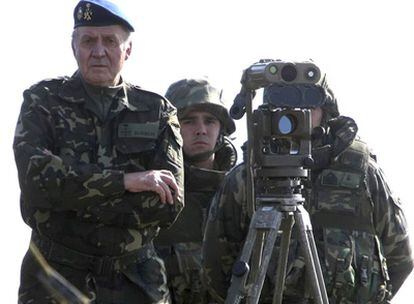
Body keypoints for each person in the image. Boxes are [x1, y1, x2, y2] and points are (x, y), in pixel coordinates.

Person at [13, 1, 184, 303]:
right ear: (74, 46)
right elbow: (37, 182)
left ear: (127, 50)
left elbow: (167, 203)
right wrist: (126, 182)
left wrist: (69, 200)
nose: (99, 51)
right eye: (88, 40)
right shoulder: (43, 101)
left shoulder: (156, 111)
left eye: (109, 41)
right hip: (55, 276)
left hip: (136, 279)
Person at [202, 73, 413, 303]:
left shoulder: (363, 173)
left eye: (308, 105)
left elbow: (399, 257)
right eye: (285, 105)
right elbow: (216, 264)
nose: (296, 114)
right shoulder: (247, 176)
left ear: (326, 111)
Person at [154, 78, 237, 303]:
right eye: (188, 121)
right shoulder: (152, 190)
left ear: (221, 129)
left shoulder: (241, 191)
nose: (201, 130)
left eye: (209, 121)